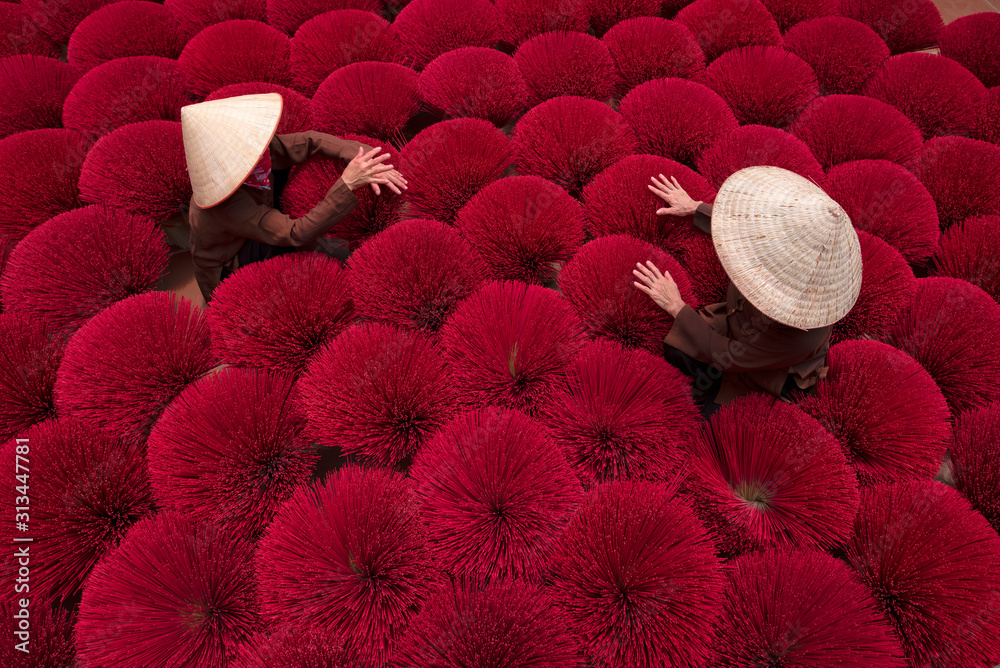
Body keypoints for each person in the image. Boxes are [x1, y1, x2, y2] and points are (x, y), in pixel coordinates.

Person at [632, 167, 862, 413]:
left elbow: (731, 355)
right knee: (678, 346)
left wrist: (676, 306)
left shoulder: (803, 333)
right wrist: (695, 207)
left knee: (714, 413)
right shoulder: (777, 243)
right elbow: (751, 234)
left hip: (766, 366)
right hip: (739, 322)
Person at [180, 93, 407, 302]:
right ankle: (334, 277)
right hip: (233, 262)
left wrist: (366, 158)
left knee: (285, 168)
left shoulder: (254, 148)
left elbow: (309, 142)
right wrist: (347, 184)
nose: (264, 150)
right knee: (290, 248)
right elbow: (295, 233)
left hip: (257, 212)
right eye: (255, 155)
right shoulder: (226, 205)